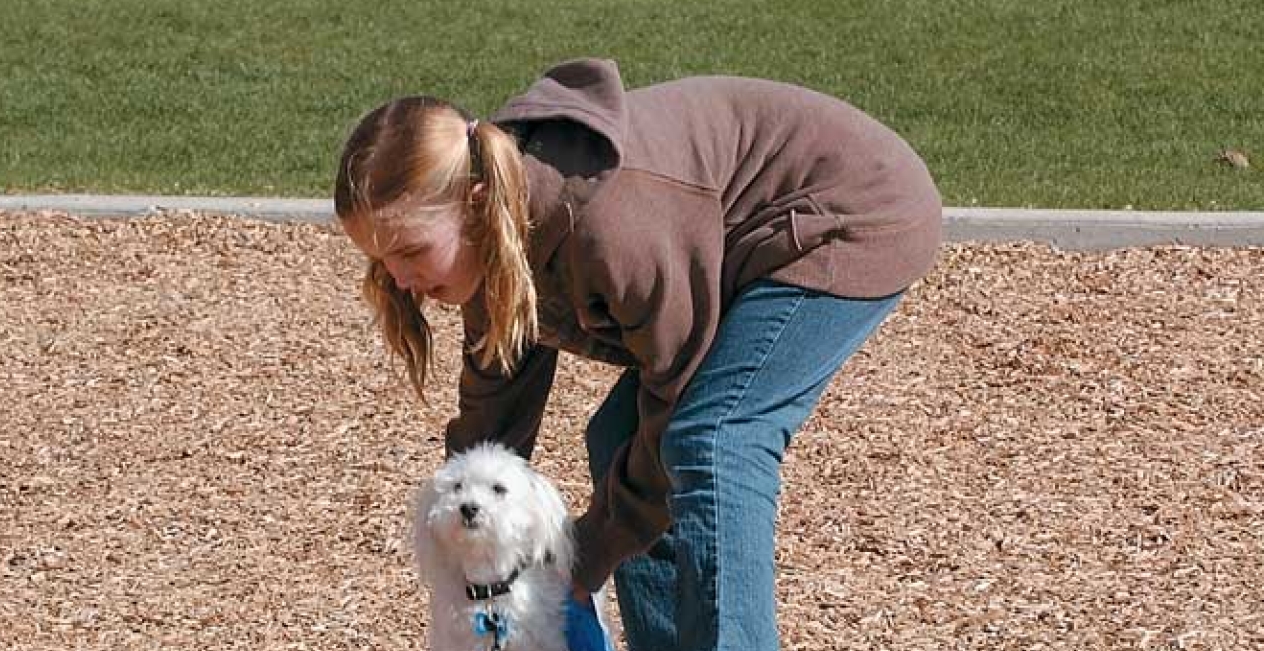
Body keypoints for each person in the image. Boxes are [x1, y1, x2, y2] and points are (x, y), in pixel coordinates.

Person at [334, 58, 942, 651]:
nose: (400, 280)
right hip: (730, 242)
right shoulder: (497, 228)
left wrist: (583, 561)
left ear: (472, 202)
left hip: (846, 211)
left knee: (712, 441)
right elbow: (496, 407)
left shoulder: (607, 228)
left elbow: (675, 388)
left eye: (410, 251)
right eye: (382, 261)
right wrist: (467, 555)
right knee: (619, 437)